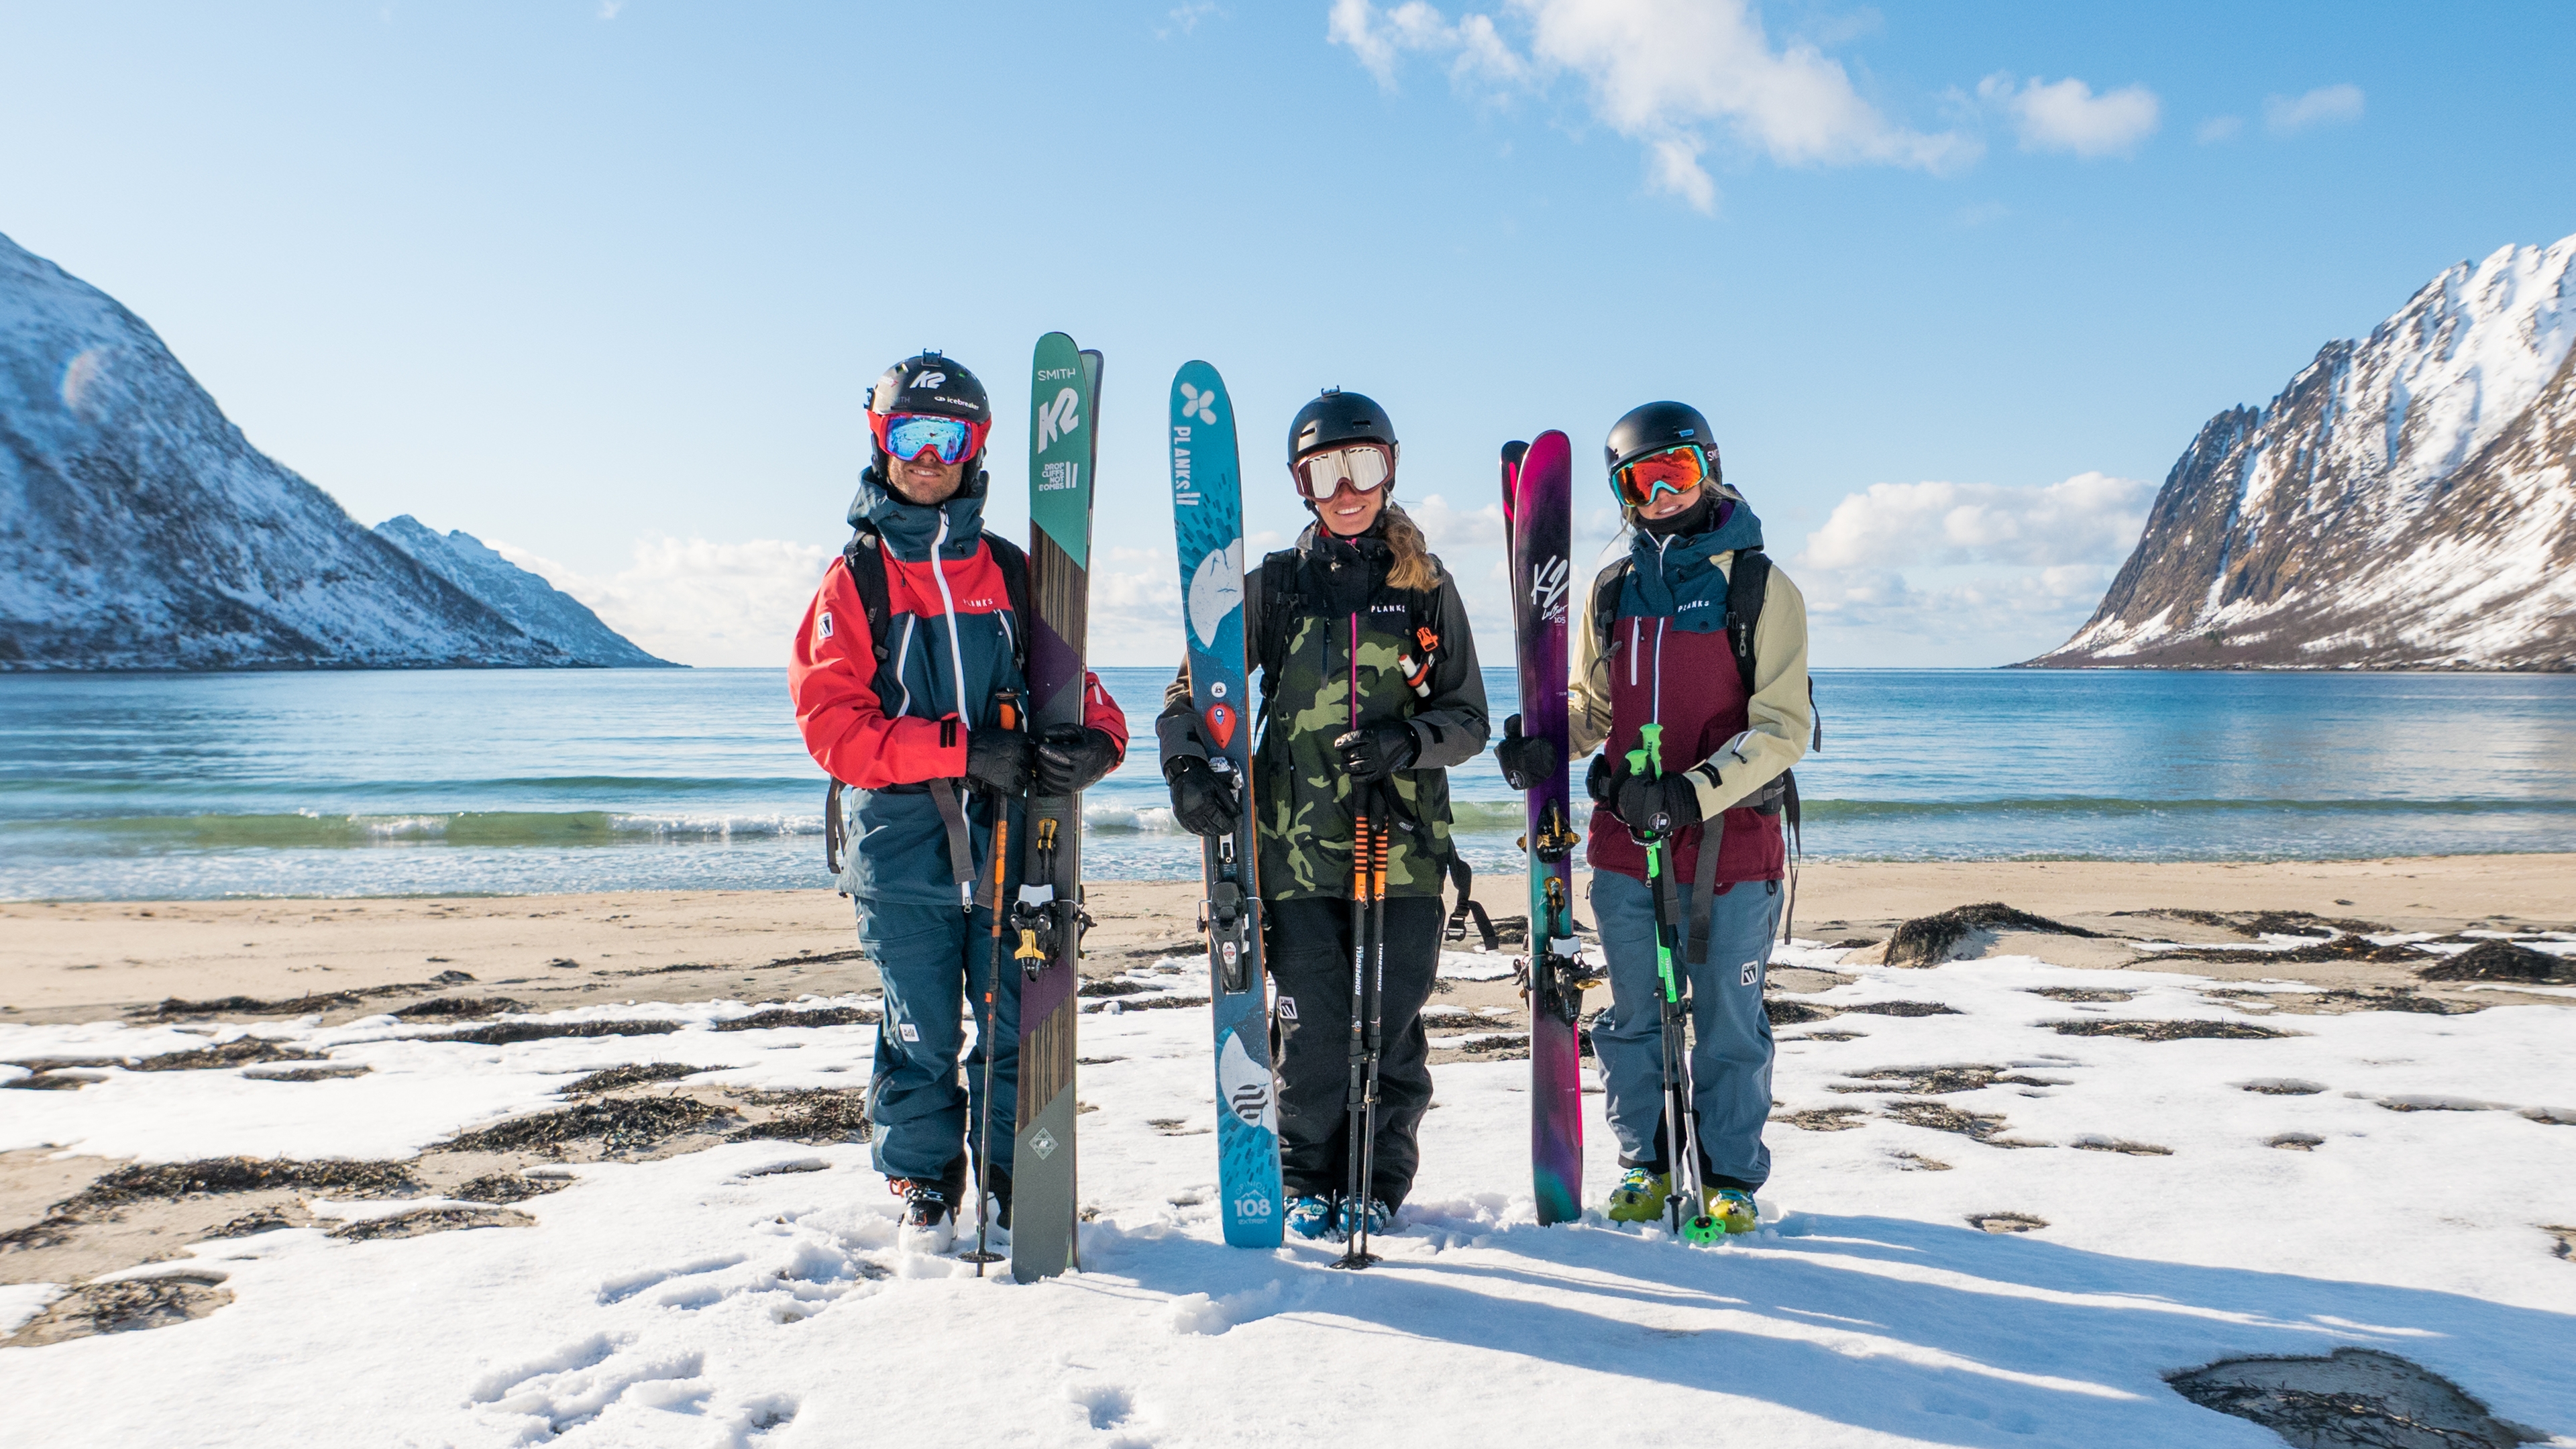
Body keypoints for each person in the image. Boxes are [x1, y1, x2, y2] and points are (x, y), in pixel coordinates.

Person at [790, 352, 1128, 1253]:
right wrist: (963, 747)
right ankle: (927, 1181)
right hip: (901, 851)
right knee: (923, 1027)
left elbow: (1075, 685)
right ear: (882, 440)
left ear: (975, 447)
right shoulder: (855, 580)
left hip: (1017, 844)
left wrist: (1097, 739)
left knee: (1019, 1018)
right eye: (911, 434)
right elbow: (834, 728)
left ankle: (1021, 1175)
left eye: (950, 437)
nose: (929, 456)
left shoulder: (1013, 572)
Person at [1158, 388, 1489, 1241]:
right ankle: (1305, 1176)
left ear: (1390, 471)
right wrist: (1186, 763)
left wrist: (1404, 743)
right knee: (1309, 1024)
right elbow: (1195, 692)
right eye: (1326, 472)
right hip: (1294, 854)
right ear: (1302, 484)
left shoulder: (1425, 585)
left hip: (1403, 846)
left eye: (1365, 467)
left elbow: (1469, 721)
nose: (1348, 489)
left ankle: (1376, 1179)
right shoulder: (1274, 587)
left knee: (1390, 1018)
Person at [1497, 400, 1811, 1235]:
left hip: (1732, 850)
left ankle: (1730, 1176)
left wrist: (1689, 792)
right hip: (1626, 846)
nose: (1663, 493)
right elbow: (1596, 707)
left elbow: (1784, 727)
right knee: (1633, 1014)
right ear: (1624, 494)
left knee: (1728, 1021)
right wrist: (1544, 738)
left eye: (1677, 472)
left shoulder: (1760, 587)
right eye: (1641, 480)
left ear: (1708, 468)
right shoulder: (1612, 589)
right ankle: (1644, 1160)